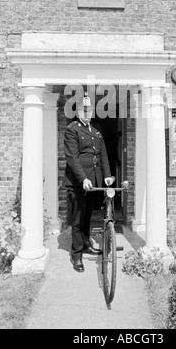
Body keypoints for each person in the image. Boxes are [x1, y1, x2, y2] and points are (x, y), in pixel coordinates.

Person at [63, 92, 115, 273]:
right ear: (77, 112)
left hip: (93, 181)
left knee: (86, 216)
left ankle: (85, 243)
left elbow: (103, 156)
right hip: (78, 182)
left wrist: (107, 175)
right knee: (77, 219)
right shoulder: (72, 129)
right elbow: (72, 158)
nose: (86, 113)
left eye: (89, 110)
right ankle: (76, 255)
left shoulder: (96, 131)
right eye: (83, 110)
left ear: (92, 112)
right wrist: (83, 179)